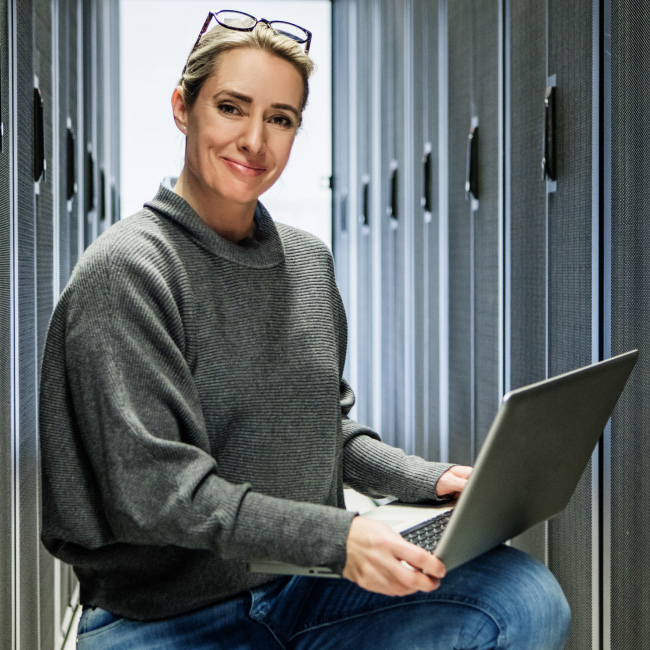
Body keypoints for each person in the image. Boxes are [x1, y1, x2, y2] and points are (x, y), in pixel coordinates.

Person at [39, 10, 570, 650]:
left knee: (521, 596)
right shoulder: (128, 271)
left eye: (281, 118)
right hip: (167, 618)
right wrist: (340, 539)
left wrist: (426, 479)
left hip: (298, 585)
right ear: (183, 107)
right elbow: (158, 493)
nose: (255, 141)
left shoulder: (308, 262)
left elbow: (323, 428)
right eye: (232, 107)